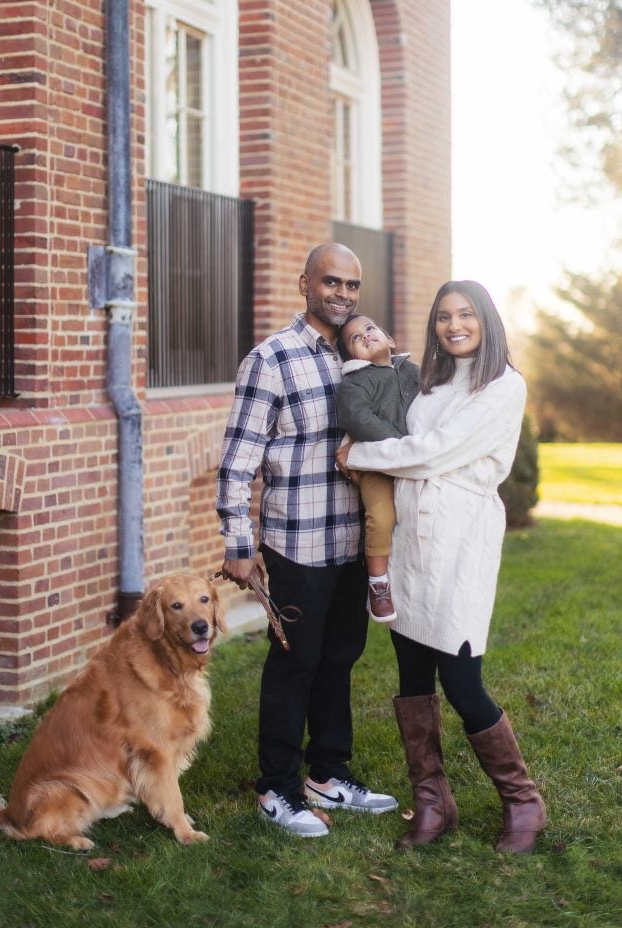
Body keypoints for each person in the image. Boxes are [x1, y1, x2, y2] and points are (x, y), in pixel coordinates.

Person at [336, 280, 546, 854]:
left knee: (461, 678)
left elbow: (430, 451)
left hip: (459, 540)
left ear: (486, 320)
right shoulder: (430, 381)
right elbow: (402, 432)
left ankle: (523, 801)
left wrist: (361, 453)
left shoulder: (502, 385)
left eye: (466, 315)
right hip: (410, 541)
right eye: (443, 317)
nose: (454, 325)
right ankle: (432, 803)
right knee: (411, 675)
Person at [216, 242, 398, 838]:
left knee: (341, 658)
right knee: (295, 664)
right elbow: (239, 461)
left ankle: (328, 773)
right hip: (297, 542)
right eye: (331, 282)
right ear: (305, 284)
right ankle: (277, 788)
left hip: (351, 539)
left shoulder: (359, 356)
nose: (342, 294)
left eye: (351, 285)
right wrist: (239, 541)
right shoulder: (271, 358)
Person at [335, 314, 421, 623]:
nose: (365, 336)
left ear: (391, 340)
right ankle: (378, 583)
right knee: (381, 516)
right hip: (373, 463)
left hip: (413, 460)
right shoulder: (355, 383)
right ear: (351, 357)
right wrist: (404, 445)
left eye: (370, 329)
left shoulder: (412, 372)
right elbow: (360, 420)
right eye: (355, 338)